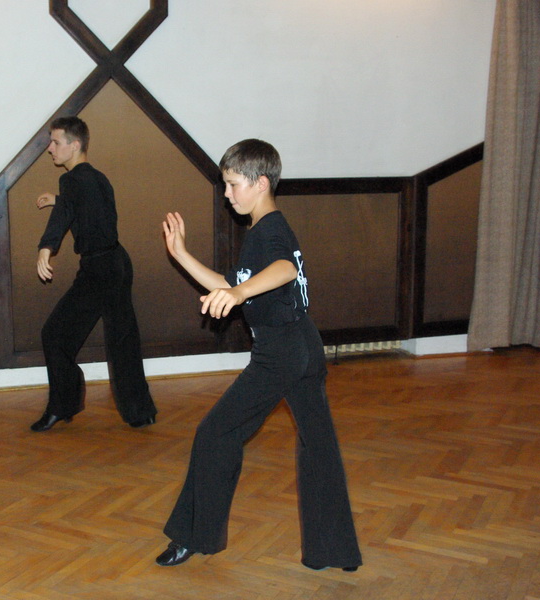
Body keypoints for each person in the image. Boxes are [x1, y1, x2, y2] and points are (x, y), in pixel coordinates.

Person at [155, 139, 362, 571]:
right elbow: (227, 283)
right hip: (304, 344)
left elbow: (284, 269)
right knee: (319, 447)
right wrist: (181, 255)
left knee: (215, 434)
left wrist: (239, 293)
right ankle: (334, 551)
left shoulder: (269, 230)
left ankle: (193, 537)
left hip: (280, 351)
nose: (227, 194)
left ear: (261, 183)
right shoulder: (263, 231)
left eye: (233, 184)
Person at [31, 116, 157, 432]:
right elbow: (90, 210)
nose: (50, 149)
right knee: (123, 339)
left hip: (99, 269)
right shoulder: (97, 178)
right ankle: (141, 412)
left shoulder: (72, 180)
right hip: (117, 262)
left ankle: (62, 406)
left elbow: (67, 213)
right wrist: (59, 201)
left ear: (75, 145)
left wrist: (46, 246)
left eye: (55, 142)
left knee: (54, 334)